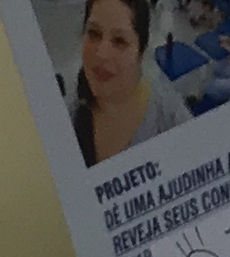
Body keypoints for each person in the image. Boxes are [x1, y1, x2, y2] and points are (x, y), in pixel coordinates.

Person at [71, 0, 189, 166]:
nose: (101, 54)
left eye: (120, 41)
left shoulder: (168, 114)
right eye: (94, 33)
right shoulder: (67, 117)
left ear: (140, 53)